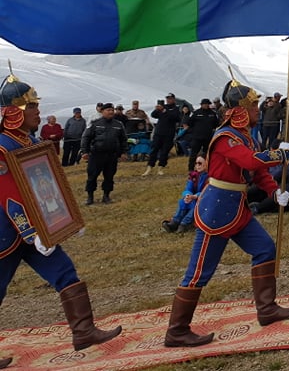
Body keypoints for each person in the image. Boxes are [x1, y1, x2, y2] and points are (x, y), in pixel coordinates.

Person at [163, 77, 289, 348]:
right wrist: (279, 156)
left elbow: (258, 172)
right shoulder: (225, 137)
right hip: (215, 212)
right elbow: (248, 161)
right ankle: (176, 331)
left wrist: (274, 192)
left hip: (237, 209)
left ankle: (267, 309)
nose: (258, 110)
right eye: (254, 106)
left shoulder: (246, 136)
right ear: (239, 110)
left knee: (265, 249)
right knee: (199, 272)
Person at [0, 70, 121, 367]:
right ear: (15, 111)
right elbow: (8, 195)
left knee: (65, 272)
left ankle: (84, 332)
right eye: (32, 107)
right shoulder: (3, 145)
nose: (39, 111)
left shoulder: (26, 141)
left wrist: (62, 218)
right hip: (6, 232)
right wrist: (33, 232)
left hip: (34, 232)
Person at [80, 103, 128, 205]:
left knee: (109, 176)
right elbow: (86, 138)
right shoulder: (95, 124)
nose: (111, 112)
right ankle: (90, 197)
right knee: (92, 176)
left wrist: (123, 152)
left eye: (112, 110)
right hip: (96, 155)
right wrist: (84, 151)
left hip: (112, 155)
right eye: (108, 110)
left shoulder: (118, 125)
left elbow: (123, 139)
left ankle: (106, 196)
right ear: (102, 112)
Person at [162, 156, 208, 233]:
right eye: (196, 163)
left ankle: (184, 224)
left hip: (204, 200)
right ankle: (175, 222)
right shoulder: (193, 175)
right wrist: (188, 195)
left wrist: (194, 196)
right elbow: (188, 188)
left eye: (200, 163)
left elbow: (207, 191)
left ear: (206, 163)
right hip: (193, 198)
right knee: (184, 201)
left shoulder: (210, 177)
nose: (197, 165)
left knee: (197, 205)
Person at [144, 93, 180, 176]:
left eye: (170, 98)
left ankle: (160, 168)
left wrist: (165, 111)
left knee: (164, 151)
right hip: (158, 132)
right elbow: (153, 115)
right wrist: (157, 109)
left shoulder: (176, 108)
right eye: (167, 98)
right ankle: (149, 167)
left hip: (169, 134)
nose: (168, 100)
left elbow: (177, 118)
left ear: (174, 99)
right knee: (154, 150)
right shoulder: (163, 106)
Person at [185, 98, 220, 174]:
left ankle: (206, 167)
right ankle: (191, 169)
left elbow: (217, 124)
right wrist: (192, 131)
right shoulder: (196, 113)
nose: (206, 105)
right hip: (197, 137)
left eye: (207, 104)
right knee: (194, 153)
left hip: (208, 138)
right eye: (204, 104)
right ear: (201, 105)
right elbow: (189, 123)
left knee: (207, 153)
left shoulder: (213, 114)